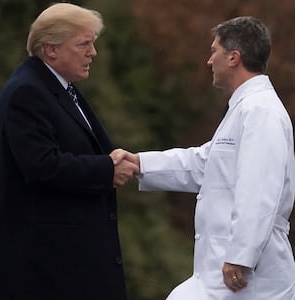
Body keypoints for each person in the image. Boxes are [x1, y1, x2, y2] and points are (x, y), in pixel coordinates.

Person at [111, 16, 295, 299]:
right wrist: (140, 164)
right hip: (223, 272)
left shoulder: (261, 112)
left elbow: (259, 190)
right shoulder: (244, 109)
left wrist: (241, 254)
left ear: (233, 58)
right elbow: (204, 164)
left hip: (249, 276)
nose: (209, 61)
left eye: (214, 51)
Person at [0, 3, 138, 300]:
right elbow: (40, 165)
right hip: (49, 271)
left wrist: (113, 159)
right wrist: (106, 169)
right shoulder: (28, 92)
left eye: (93, 43)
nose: (93, 53)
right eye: (84, 44)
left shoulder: (59, 87)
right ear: (51, 49)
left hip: (70, 264)